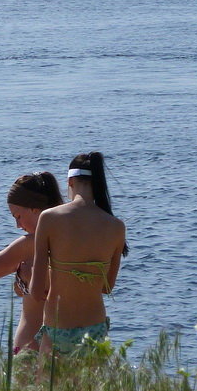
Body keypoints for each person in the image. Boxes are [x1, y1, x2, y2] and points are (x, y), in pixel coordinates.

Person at [29, 152, 127, 356]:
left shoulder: (49, 218)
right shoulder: (116, 226)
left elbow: (37, 291)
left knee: (50, 387)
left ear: (70, 181)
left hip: (58, 327)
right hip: (96, 328)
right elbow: (107, 287)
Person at [0, 172, 64, 353]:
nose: (18, 225)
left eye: (18, 216)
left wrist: (19, 271)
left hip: (29, 342)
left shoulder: (28, 245)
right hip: (70, 339)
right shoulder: (71, 240)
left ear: (34, 209)